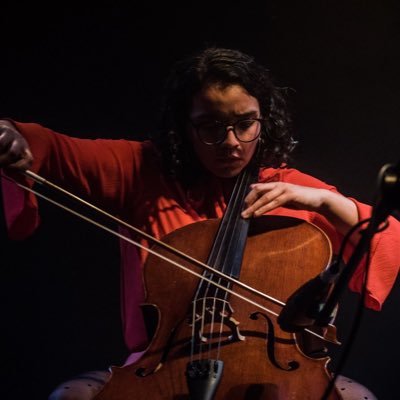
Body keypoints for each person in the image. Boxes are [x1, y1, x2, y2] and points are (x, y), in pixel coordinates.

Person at [0, 46, 397, 399]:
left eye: (246, 123)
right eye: (210, 126)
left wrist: (327, 202)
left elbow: (386, 236)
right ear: (184, 126)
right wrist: (9, 136)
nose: (231, 141)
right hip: (159, 367)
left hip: (273, 373)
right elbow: (47, 145)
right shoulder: (142, 172)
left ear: (265, 118)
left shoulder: (290, 188)